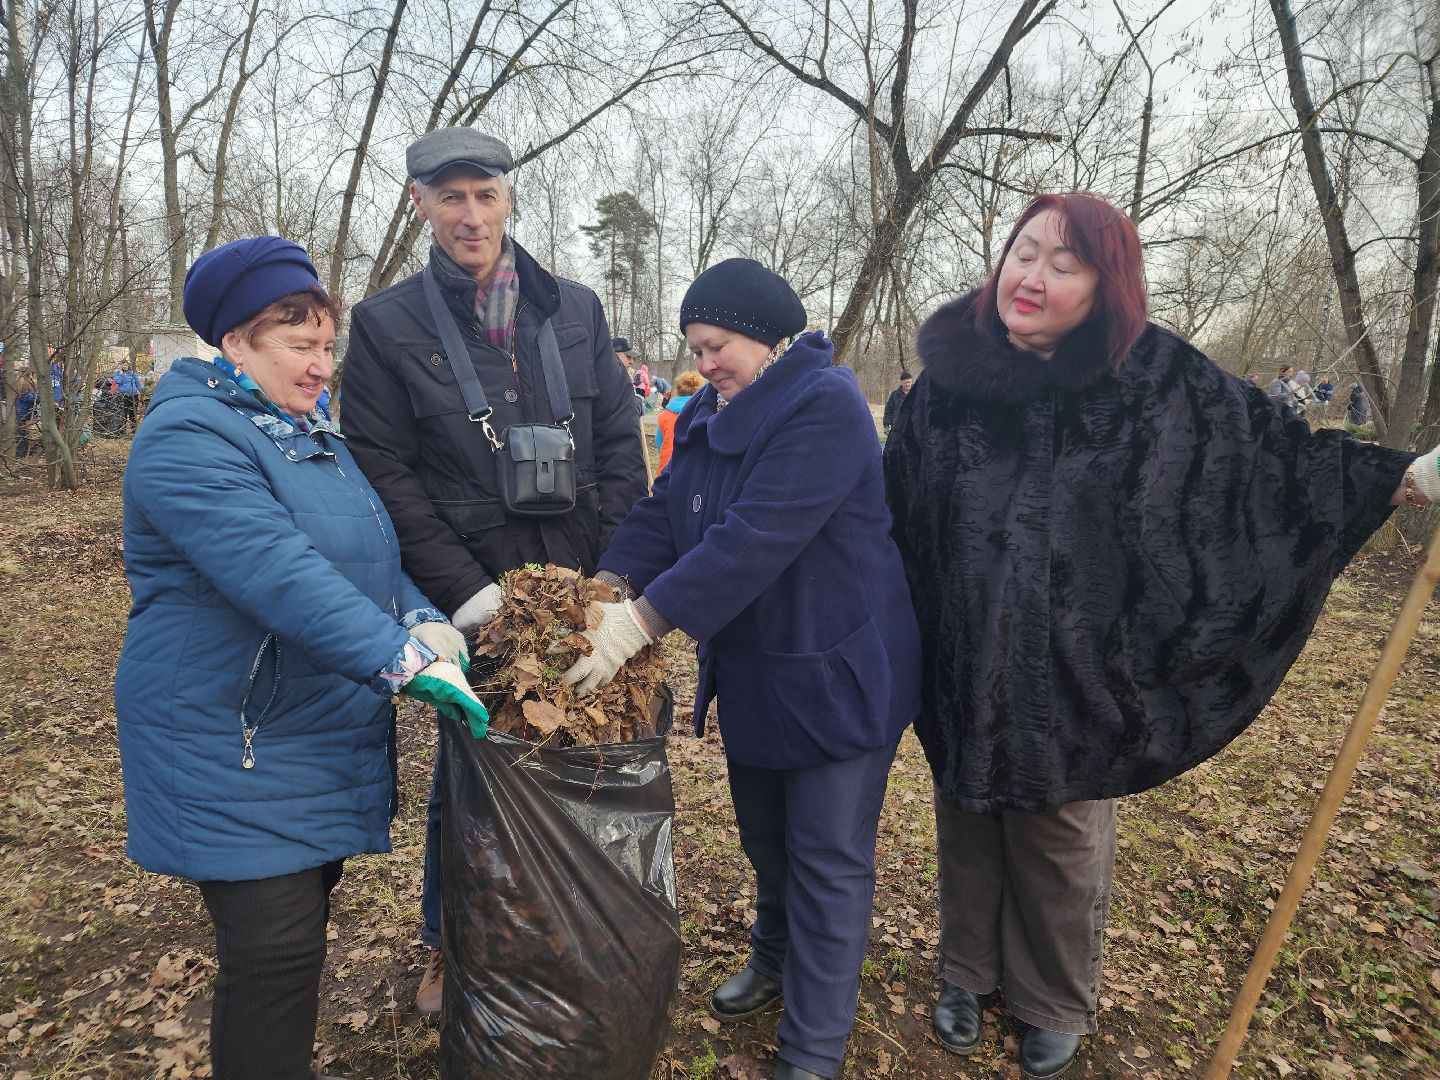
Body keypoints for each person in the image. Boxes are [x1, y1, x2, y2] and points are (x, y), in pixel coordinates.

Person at [883, 192, 1439, 1080]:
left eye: (1064, 264)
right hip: (960, 651)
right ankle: (967, 972)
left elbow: (1269, 463)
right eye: (1024, 253)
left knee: (1059, 831)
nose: (1033, 276)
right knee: (966, 810)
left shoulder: (1157, 380)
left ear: (1105, 285)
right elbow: (897, 507)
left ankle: (1052, 998)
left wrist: (1399, 477)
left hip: (1078, 666)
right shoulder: (946, 385)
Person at [115, 236, 487, 1080]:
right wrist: (403, 660)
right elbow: (279, 572)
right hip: (229, 736)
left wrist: (422, 616)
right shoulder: (188, 438)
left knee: (293, 943)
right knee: (274, 960)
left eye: (326, 344)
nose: (322, 365)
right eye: (298, 344)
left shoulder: (308, 432)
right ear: (234, 342)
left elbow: (370, 551)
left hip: (307, 732)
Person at [559, 258, 921, 1080]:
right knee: (766, 836)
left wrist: (639, 624)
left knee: (826, 856)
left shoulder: (824, 405)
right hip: (760, 670)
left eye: (716, 345)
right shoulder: (708, 411)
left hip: (838, 670)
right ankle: (773, 956)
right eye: (694, 347)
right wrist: (608, 586)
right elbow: (665, 510)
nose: (704, 362)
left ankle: (814, 1044)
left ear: (764, 336)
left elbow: (754, 536)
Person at [338, 127, 648, 1014]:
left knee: (589, 764)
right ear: (420, 205)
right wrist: (471, 598)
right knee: (472, 774)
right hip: (474, 594)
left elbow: (620, 450)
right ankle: (452, 939)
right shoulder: (387, 324)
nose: (470, 215)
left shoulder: (576, 310)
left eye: (485, 195)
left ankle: (573, 929)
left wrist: (612, 583)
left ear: (509, 198)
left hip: (586, 586)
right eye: (451, 197)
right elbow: (385, 474)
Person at [656, 370, 702, 473]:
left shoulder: (663, 415)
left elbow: (659, 442)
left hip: (667, 469)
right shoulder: (700, 414)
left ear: (678, 390)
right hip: (692, 470)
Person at [112, 358, 143, 432]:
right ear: (121, 366)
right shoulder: (117, 374)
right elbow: (118, 381)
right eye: (124, 365)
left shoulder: (132, 373)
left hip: (133, 395)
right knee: (123, 412)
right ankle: (122, 429)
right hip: (123, 395)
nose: (125, 366)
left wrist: (141, 393)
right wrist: (121, 374)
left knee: (133, 412)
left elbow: (138, 384)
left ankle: (134, 428)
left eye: (126, 365)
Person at [881, 370, 913, 435]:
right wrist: (886, 425)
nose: (907, 384)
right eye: (905, 383)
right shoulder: (894, 395)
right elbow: (888, 411)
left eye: (909, 382)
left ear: (911, 381)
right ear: (901, 382)